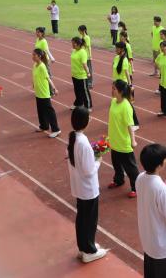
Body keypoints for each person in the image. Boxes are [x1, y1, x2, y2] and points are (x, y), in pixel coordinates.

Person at [67, 107, 109, 263]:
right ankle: (89, 250)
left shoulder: (73, 139)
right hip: (87, 189)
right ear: (85, 122)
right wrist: (98, 161)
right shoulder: (83, 143)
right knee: (90, 220)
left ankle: (84, 246)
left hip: (79, 187)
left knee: (82, 218)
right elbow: (89, 171)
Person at [136, 144, 166, 278]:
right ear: (159, 165)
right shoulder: (162, 189)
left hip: (149, 243)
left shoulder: (140, 178)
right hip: (164, 248)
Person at [107, 80, 139, 198]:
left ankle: (136, 187)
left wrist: (133, 140)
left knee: (130, 168)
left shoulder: (126, 106)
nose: (112, 90)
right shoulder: (113, 101)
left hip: (123, 142)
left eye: (114, 89)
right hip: (114, 140)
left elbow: (130, 125)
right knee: (116, 164)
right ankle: (119, 180)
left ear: (120, 91)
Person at [32, 48, 60, 138]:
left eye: (34, 55)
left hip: (44, 92)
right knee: (40, 110)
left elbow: (48, 78)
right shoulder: (34, 65)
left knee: (49, 111)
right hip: (38, 92)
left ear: (39, 56)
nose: (32, 56)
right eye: (32, 54)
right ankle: (44, 126)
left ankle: (56, 129)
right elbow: (34, 76)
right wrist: (33, 84)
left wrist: (54, 88)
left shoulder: (42, 66)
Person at [71, 37, 92, 111]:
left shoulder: (83, 52)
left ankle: (88, 106)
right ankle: (78, 103)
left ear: (78, 44)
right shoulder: (74, 51)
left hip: (82, 76)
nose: (72, 45)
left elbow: (84, 64)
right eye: (72, 43)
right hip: (74, 75)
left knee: (85, 92)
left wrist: (88, 73)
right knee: (77, 91)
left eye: (73, 43)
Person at [155, 41, 166, 117]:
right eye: (161, 47)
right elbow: (156, 62)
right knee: (163, 96)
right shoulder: (160, 56)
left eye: (163, 47)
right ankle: (164, 111)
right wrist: (159, 69)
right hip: (162, 80)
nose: (161, 48)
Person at [78, 25, 93, 89]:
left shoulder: (87, 37)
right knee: (83, 69)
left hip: (87, 56)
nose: (79, 32)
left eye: (80, 30)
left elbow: (88, 47)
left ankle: (90, 83)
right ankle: (85, 82)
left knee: (88, 69)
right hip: (82, 55)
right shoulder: (81, 37)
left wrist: (90, 55)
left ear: (83, 30)